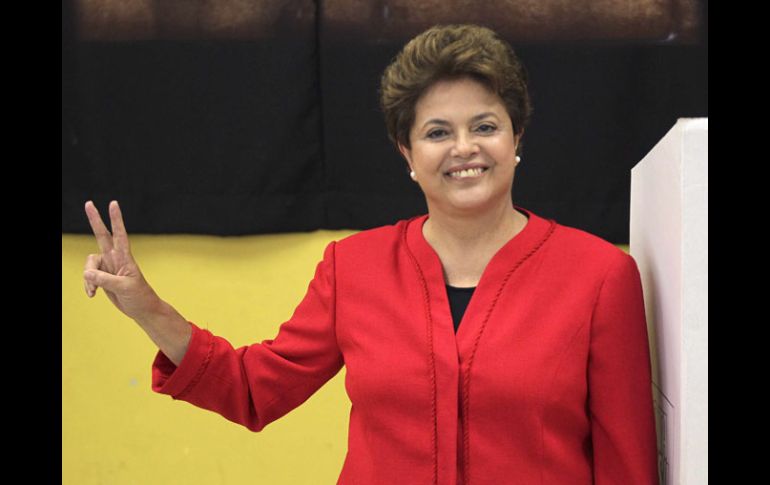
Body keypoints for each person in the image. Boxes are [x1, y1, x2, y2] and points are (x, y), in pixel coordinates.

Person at [83, 24, 659, 484]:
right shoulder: (351, 269)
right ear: (406, 151)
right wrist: (147, 308)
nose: (464, 148)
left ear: (517, 140)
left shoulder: (601, 276)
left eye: (485, 125)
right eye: (437, 132)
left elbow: (626, 465)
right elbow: (254, 390)